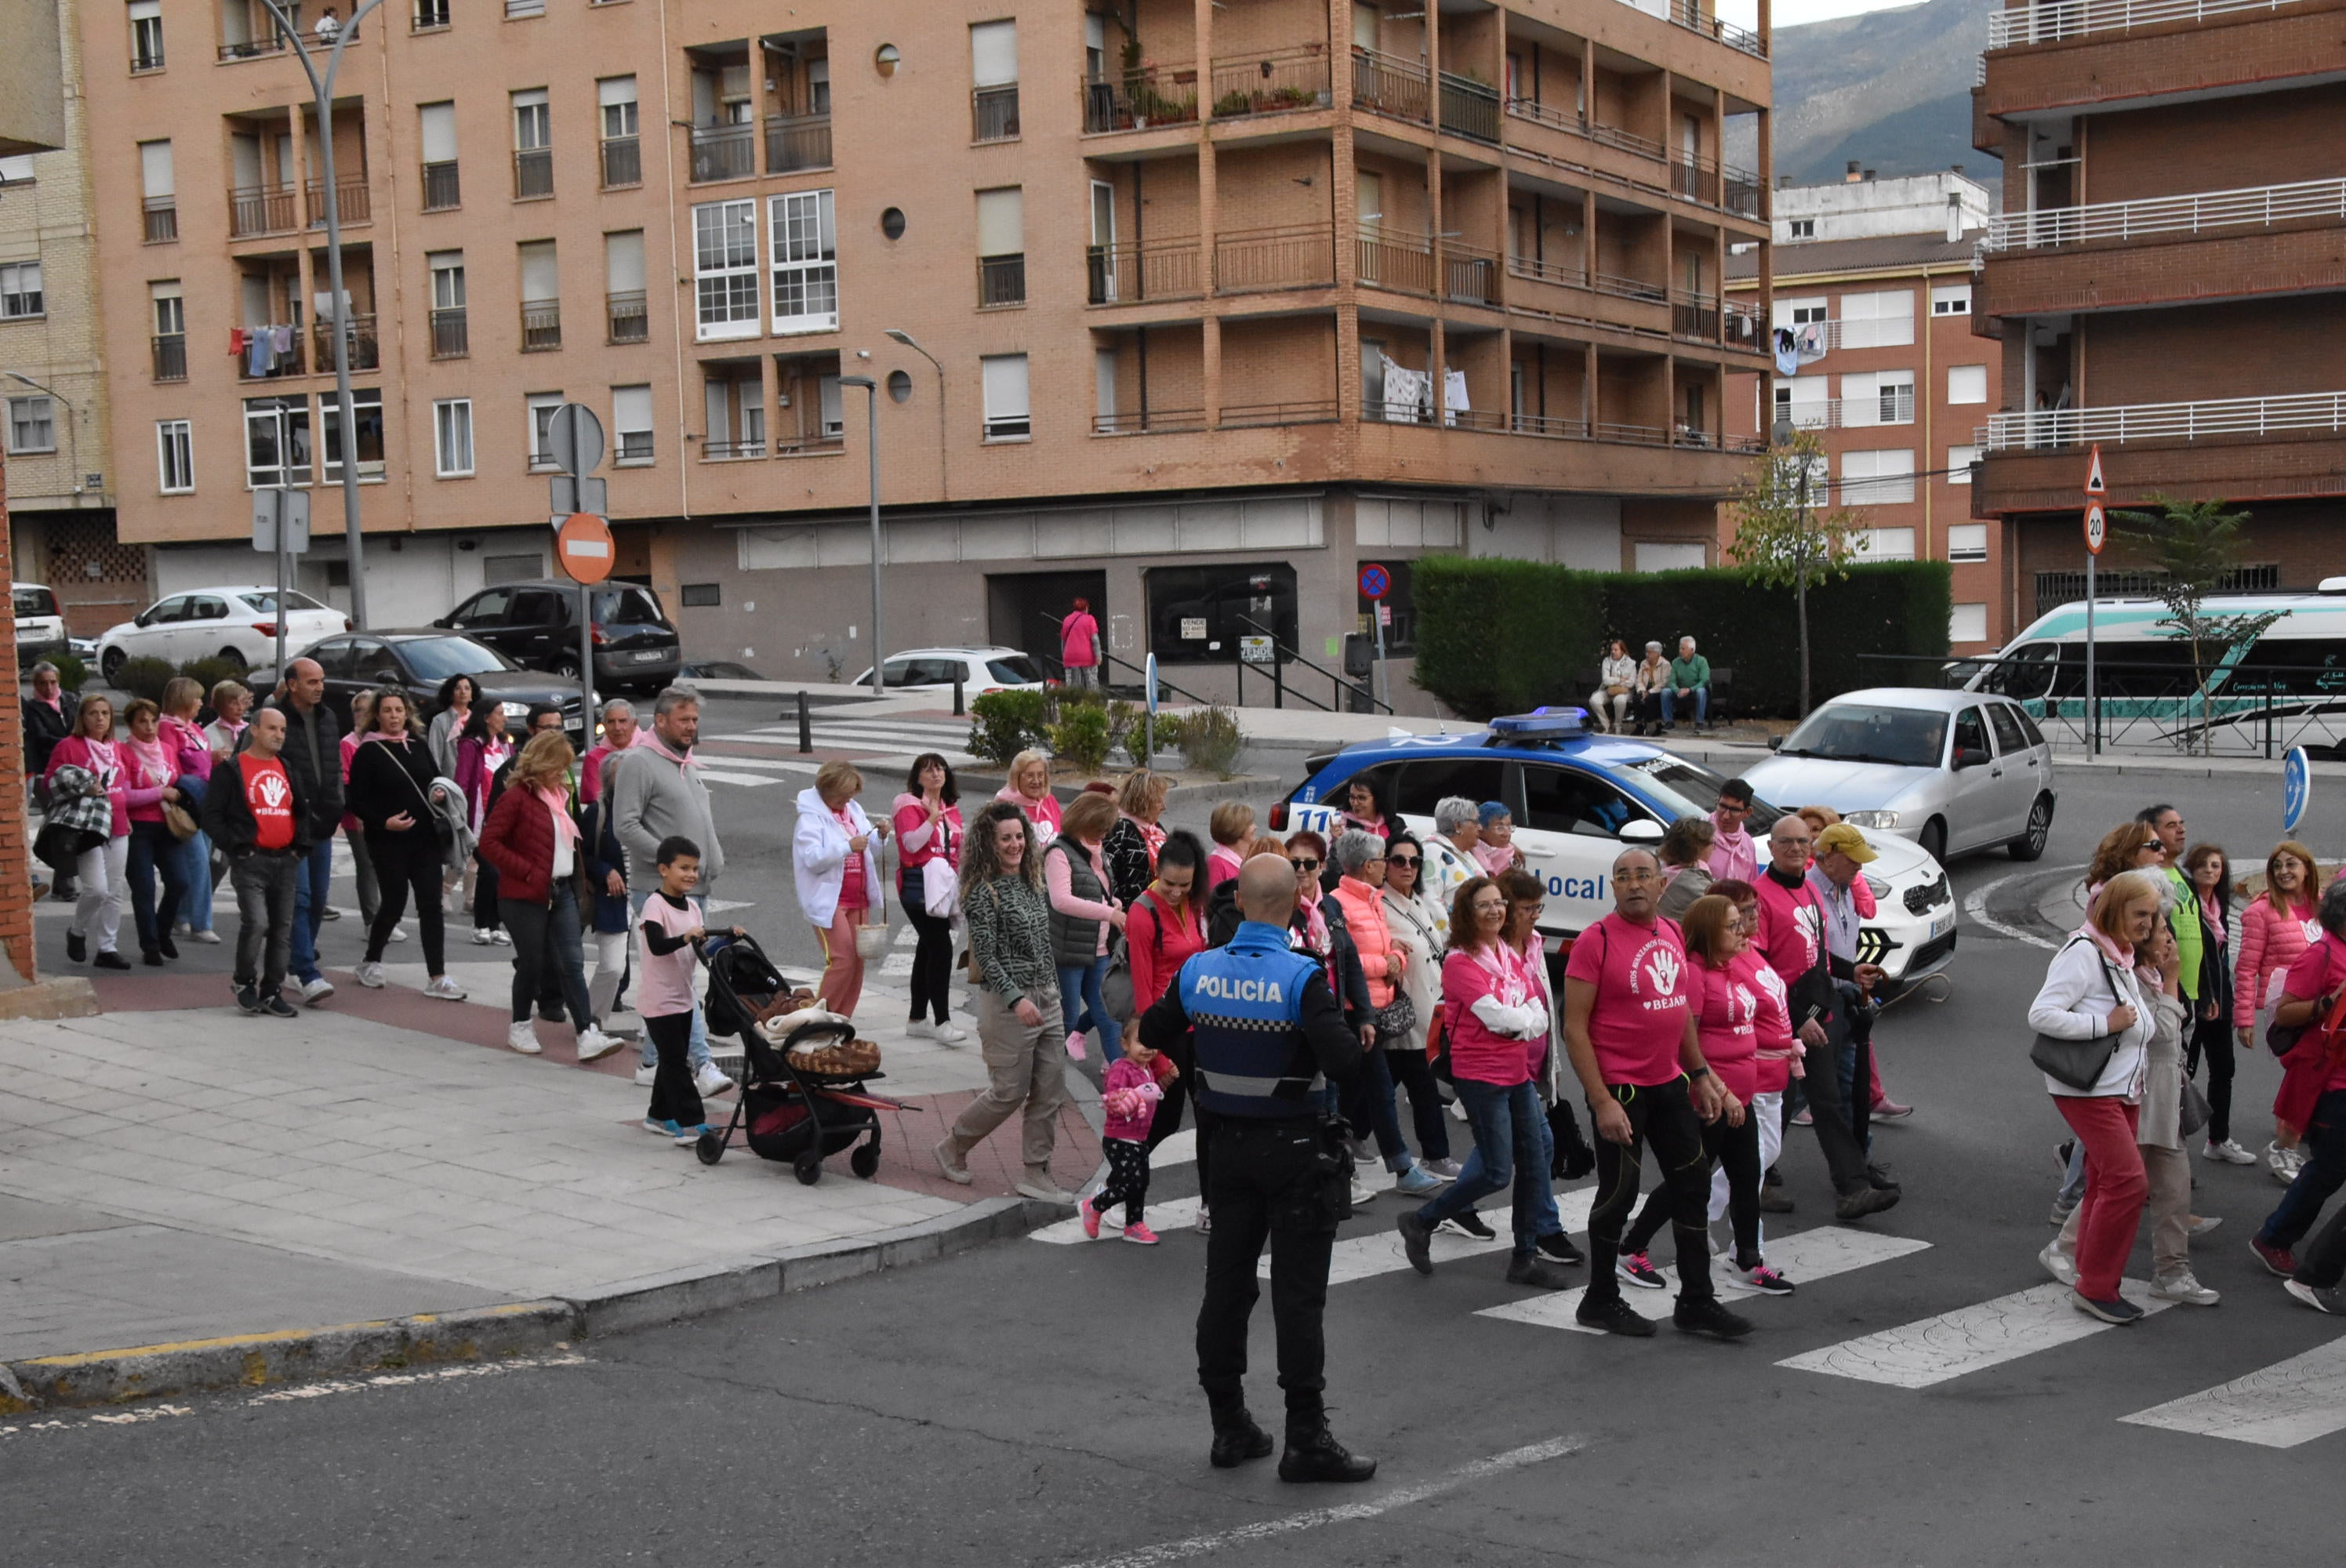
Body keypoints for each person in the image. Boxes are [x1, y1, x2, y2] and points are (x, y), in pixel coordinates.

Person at [1138, 852, 1375, 1484]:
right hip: (1296, 1151)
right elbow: (1345, 1061)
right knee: (1297, 1297)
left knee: (1227, 1286)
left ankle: (1230, 1426)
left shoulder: (1197, 970)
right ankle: (1306, 1438)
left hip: (1225, 1151)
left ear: (1239, 904)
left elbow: (1158, 1028)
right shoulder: (1301, 978)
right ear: (1297, 907)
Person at [1561, 847, 1751, 1339]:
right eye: (1623, 877)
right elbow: (1575, 1029)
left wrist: (1703, 1075)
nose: (1634, 884)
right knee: (1619, 1194)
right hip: (1621, 1090)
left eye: (1643, 875)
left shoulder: (1669, 933)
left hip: (1670, 1082)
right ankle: (1600, 1298)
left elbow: (1681, 1017)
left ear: (1661, 885)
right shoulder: (1594, 941)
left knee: (1693, 1187)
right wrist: (1601, 1101)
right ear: (1614, 886)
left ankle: (1696, 1301)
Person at [1395, 873, 1574, 1287]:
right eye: (1484, 905)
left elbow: (1538, 1012)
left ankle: (1524, 1257)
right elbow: (1498, 1017)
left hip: (1517, 1075)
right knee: (1496, 1172)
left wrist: (1521, 1025)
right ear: (1466, 913)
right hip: (1481, 1078)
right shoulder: (1461, 962)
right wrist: (1521, 1024)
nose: (1496, 910)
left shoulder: (1506, 954)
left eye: (1500, 904)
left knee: (1532, 1162)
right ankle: (1422, 1220)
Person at [1614, 893, 1791, 1296]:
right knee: (1688, 1181)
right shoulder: (1694, 975)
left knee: (1747, 1178)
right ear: (1711, 930)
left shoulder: (1730, 969)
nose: (1743, 930)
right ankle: (1631, 1248)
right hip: (1710, 1102)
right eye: (1732, 925)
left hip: (1740, 1098)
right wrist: (1718, 1089)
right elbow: (1683, 1038)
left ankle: (1747, 1260)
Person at [2041, 920, 2217, 1305]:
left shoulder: (2151, 976)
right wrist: (2173, 981)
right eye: (2163, 938)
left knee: (2172, 1188)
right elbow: (2163, 1034)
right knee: (2119, 1184)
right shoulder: (2131, 978)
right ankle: (2068, 1250)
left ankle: (2172, 1272)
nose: (2171, 945)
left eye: (2172, 937)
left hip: (2165, 1097)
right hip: (2137, 1094)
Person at [2028, 869, 2163, 1323]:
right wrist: (2103, 1025)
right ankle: (2097, 1287)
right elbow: (2042, 1014)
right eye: (2139, 913)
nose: (2148, 923)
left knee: (2109, 1180)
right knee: (2129, 1182)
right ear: (2114, 910)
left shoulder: (2119, 953)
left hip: (2120, 1089)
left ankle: (2092, 1275)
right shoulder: (2084, 954)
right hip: (2091, 1091)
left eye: (2152, 914)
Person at [1754, 816, 1898, 1220]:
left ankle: (1853, 1189)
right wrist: (1797, 1018)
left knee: (1827, 1100)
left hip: (1814, 1010)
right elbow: (1757, 966)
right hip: (1777, 1017)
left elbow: (1814, 956)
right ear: (1771, 847)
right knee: (1775, 1104)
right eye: (1787, 843)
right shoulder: (1760, 897)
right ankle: (1753, 1180)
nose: (1796, 849)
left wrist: (1850, 970)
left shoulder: (1811, 893)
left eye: (1803, 842)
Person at [935, 800, 1073, 1202]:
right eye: (1005, 839)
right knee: (1009, 1092)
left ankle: (1036, 1173)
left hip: (1047, 1000)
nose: (1015, 845)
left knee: (1050, 1089)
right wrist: (1018, 1001)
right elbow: (988, 958)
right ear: (988, 844)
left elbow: (1043, 946)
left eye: (1019, 837)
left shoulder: (1032, 881)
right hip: (1009, 1006)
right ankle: (953, 1147)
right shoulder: (983, 893)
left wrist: (1053, 996)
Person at [611, 685, 732, 1099]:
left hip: (695, 889)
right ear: (660, 721)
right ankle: (704, 1066)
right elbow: (624, 826)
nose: (691, 727)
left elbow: (701, 819)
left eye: (695, 720)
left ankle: (650, 1062)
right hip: (657, 892)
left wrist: (713, 860)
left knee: (678, 982)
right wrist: (668, 865)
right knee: (679, 984)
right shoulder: (639, 763)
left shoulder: (686, 764)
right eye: (684, 720)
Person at [479, 729, 623, 1062]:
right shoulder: (516, 798)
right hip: (524, 895)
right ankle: (520, 1024)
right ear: (540, 763)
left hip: (562, 892)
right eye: (557, 766)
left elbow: (568, 845)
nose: (563, 772)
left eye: (565, 766)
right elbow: (489, 843)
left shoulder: (560, 796)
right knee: (532, 963)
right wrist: (528, 871)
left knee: (572, 963)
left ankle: (586, 1033)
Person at [1329, 830, 1444, 1197]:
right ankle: (1401, 1167)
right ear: (1368, 866)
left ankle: (1346, 1163)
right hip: (1352, 1012)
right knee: (1375, 1092)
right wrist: (1388, 961)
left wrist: (1394, 953)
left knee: (1361, 1094)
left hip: (1376, 1010)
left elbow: (1382, 950)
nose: (1388, 867)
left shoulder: (1372, 899)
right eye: (1384, 860)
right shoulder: (1339, 903)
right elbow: (1342, 961)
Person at [2250, 878, 2346, 1312]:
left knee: (2328, 1170)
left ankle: (2280, 1237)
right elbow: (2285, 1011)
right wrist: (2326, 1005)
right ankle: (2273, 1238)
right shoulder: (2322, 954)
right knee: (2326, 1171)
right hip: (2330, 1085)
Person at [346, 688, 467, 1001]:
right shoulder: (368, 752)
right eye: (387, 711)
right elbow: (355, 799)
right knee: (394, 902)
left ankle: (437, 976)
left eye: (399, 710)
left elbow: (437, 778)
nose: (394, 716)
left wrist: (439, 793)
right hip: (388, 840)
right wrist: (383, 821)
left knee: (431, 905)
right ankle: (371, 960)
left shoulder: (418, 745)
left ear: (407, 713)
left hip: (425, 838)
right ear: (377, 715)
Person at [198, 706, 306, 1016]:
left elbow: (301, 811)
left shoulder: (286, 766)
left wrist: (300, 847)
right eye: (272, 728)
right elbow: (213, 817)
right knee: (257, 922)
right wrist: (237, 847)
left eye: (283, 730)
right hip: (251, 860)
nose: (279, 736)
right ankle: (244, 981)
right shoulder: (232, 770)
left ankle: (272, 990)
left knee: (282, 929)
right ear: (255, 730)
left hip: (285, 860)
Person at [2234, 841, 2321, 1178]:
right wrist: (2244, 1018)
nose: (2284, 871)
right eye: (2277, 866)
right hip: (2286, 1009)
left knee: (2311, 1074)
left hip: (2321, 1009)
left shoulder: (2321, 908)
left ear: (2306, 869)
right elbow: (2246, 967)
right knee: (2305, 1073)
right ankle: (2286, 1145)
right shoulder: (2261, 912)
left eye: (2291, 864)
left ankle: (2292, 1131)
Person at [638, 836, 731, 1145]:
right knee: (677, 1063)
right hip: (659, 999)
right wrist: (684, 938)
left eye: (695, 868)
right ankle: (691, 1122)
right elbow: (657, 945)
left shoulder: (692, 907)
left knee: (671, 1058)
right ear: (664, 870)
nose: (691, 875)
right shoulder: (655, 905)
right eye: (684, 868)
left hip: (683, 997)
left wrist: (727, 938)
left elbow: (700, 947)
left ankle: (658, 1116)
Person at [1376, 833, 1458, 1178]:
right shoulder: (1379, 905)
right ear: (1384, 865)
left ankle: (1348, 1139)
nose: (1407, 867)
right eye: (1398, 860)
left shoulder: (1417, 902)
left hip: (1430, 1009)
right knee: (1420, 1087)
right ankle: (1435, 1156)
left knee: (1381, 1091)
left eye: (1413, 861)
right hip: (1404, 1016)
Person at [264, 658, 343, 1004]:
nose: (320, 687)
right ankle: (305, 971)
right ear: (292, 684)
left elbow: (334, 765)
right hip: (290, 821)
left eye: (321, 680)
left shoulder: (327, 718)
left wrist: (336, 804)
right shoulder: (277, 721)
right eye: (312, 681)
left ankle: (295, 961)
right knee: (300, 898)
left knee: (318, 900)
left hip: (322, 822)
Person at [794, 760, 887, 1017]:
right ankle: (820, 1018)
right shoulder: (810, 819)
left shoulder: (853, 810)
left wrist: (879, 836)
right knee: (842, 959)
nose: (846, 802)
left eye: (850, 796)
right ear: (827, 791)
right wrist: (847, 847)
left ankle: (842, 1020)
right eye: (842, 797)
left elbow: (868, 847)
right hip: (830, 901)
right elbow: (812, 858)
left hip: (858, 898)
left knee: (857, 963)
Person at [45, 694, 132, 971]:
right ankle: (77, 931)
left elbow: (122, 785)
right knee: (96, 889)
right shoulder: (69, 746)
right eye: (93, 713)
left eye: (105, 713)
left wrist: (127, 815)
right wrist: (83, 786)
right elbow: (51, 782)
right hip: (86, 827)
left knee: (115, 891)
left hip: (117, 824)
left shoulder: (117, 748)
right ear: (82, 718)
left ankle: (108, 947)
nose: (100, 719)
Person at [1046, 789, 1126, 1062]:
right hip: (1070, 953)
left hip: (1099, 949)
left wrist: (1112, 902)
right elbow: (1062, 900)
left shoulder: (1097, 851)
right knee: (1066, 1019)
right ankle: (1053, 1077)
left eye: (1106, 829)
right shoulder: (1058, 853)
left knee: (1109, 1019)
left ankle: (1121, 1083)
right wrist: (1108, 913)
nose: (1104, 835)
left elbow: (1095, 892)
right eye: (1099, 828)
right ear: (1083, 821)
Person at [892, 752, 965, 1042]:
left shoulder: (952, 808)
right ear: (917, 777)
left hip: (944, 886)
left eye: (940, 769)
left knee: (927, 947)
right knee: (941, 948)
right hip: (918, 886)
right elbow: (911, 844)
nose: (936, 774)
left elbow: (957, 849)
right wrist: (931, 818)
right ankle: (942, 1021)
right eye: (928, 770)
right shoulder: (907, 804)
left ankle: (917, 1017)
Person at [1082, 1031, 1180, 1245]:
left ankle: (1134, 1224)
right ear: (1125, 1044)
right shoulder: (1120, 1069)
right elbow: (1113, 1097)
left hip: (1139, 1137)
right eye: (1140, 1042)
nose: (1147, 1048)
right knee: (1131, 1183)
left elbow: (1153, 1094)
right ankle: (1095, 1206)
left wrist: (1167, 1080)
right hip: (1119, 1138)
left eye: (1152, 1043)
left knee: (1141, 1182)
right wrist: (1132, 1096)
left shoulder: (1146, 1070)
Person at [117, 698, 194, 967]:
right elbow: (125, 795)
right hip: (137, 827)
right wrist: (159, 792)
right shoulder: (123, 752)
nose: (149, 727)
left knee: (181, 881)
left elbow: (179, 780)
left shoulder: (167, 750)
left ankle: (162, 931)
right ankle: (149, 944)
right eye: (142, 721)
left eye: (153, 721)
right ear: (130, 724)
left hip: (168, 825)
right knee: (144, 887)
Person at [2179, 844, 2236, 1159]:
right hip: (2193, 998)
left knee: (2224, 1068)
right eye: (2203, 865)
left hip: (2220, 998)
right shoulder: (2186, 905)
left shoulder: (2219, 906)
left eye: (2216, 866)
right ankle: (2172, 1153)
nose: (2210, 871)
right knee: (2185, 1072)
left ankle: (2219, 1140)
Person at [159, 677, 220, 947]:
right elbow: (169, 765)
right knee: (197, 861)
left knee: (202, 860)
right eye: (196, 698)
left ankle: (180, 915)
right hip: (184, 802)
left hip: (204, 799)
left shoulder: (195, 728)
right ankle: (201, 923)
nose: (200, 703)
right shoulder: (167, 728)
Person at [454, 702, 514, 947]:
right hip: (479, 818)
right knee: (489, 870)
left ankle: (494, 924)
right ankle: (481, 923)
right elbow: (462, 781)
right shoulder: (471, 746)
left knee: (500, 873)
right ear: (487, 718)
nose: (505, 719)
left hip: (504, 817)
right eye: (500, 714)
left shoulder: (505, 746)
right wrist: (460, 817)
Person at [1103, 768, 1168, 907]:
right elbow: (1109, 879)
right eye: (1158, 801)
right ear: (1143, 802)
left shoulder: (1155, 827)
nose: (1164, 807)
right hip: (1133, 912)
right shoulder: (1118, 830)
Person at [579, 697, 638, 805]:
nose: (617, 727)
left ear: (634, 724)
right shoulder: (593, 758)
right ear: (604, 726)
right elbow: (595, 799)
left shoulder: (648, 751)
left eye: (622, 721)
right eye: (611, 722)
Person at [1656, 816, 1716, 920]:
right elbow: (1724, 908)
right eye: (1712, 843)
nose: (1714, 848)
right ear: (1698, 848)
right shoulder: (1691, 882)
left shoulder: (1662, 868)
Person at [997, 750, 1062, 844]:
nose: (1036, 781)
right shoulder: (1004, 806)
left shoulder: (1049, 800)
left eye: (1040, 775)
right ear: (1016, 777)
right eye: (1030, 775)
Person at [1425, 797, 1480, 898]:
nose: (1480, 828)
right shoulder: (1432, 851)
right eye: (1475, 822)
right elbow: (1431, 899)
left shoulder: (1466, 853)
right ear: (1457, 826)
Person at [1709, 779, 1759, 884]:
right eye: (1722, 807)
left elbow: (1751, 888)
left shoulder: (1748, 843)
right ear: (1717, 801)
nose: (1726, 816)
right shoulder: (1699, 835)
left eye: (1734, 810)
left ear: (1747, 812)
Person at [427, 673, 474, 780]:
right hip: (450, 780)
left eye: (467, 688)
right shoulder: (440, 721)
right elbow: (435, 755)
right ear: (450, 693)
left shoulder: (477, 720)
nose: (463, 692)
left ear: (472, 695)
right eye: (458, 688)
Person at [1204, 802, 1253, 897]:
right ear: (1237, 829)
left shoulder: (1252, 854)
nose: (1255, 827)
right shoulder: (1216, 863)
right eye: (1250, 824)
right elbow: (1214, 903)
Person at [1664, 635, 1712, 731]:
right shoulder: (1675, 662)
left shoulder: (1702, 661)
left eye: (1683, 649)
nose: (1680, 651)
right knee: (1665, 692)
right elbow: (1671, 682)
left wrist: (1690, 690)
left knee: (1701, 691)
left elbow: (1704, 681)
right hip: (1681, 690)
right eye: (1680, 648)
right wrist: (1678, 691)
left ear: (1692, 650)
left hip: (1696, 690)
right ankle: (1669, 722)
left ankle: (1699, 723)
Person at [1589, 639, 1636, 734]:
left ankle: (1618, 725)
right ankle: (1606, 725)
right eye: (1612, 650)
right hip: (1609, 690)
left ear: (1622, 651)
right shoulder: (1607, 661)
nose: (1613, 652)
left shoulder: (1631, 663)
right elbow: (1606, 680)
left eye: (1616, 650)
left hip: (1625, 691)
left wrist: (1614, 681)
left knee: (1620, 700)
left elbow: (1631, 682)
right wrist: (1619, 680)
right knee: (1594, 700)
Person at [1061, 597, 1103, 691]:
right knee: (1091, 682)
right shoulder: (1090, 619)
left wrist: (1064, 656)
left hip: (1070, 656)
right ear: (1086, 608)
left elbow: (1063, 640)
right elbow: (1095, 639)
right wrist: (1098, 657)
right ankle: (1093, 702)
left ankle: (1073, 703)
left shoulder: (1067, 620)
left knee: (1072, 684)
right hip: (1086, 656)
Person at [1632, 641, 1672, 735]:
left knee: (1651, 699)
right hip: (1644, 690)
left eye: (1650, 652)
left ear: (1657, 653)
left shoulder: (1665, 664)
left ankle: (1657, 726)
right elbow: (1639, 680)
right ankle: (1639, 726)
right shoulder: (1643, 663)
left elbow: (1664, 682)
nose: (1647, 654)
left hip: (1657, 691)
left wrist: (1650, 692)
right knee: (1637, 698)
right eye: (1646, 652)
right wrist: (1642, 691)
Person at [1472, 801, 1521, 875]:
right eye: (1500, 828)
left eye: (1509, 827)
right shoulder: (1472, 854)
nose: (1507, 834)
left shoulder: (1509, 852)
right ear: (1481, 830)